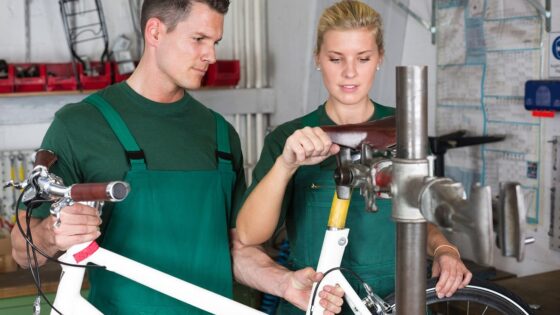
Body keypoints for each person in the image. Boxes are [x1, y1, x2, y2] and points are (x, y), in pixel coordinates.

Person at [10, 1, 343, 314]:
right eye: (198, 39)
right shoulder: (81, 125)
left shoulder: (220, 134)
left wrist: (284, 283)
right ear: (155, 33)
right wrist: (53, 234)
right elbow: (21, 251)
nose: (210, 55)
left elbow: (234, 250)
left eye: (215, 41)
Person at [236, 0, 473, 314]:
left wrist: (444, 250)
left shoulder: (404, 131)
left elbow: (420, 219)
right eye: (336, 58)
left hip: (398, 300)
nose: (349, 72)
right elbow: (251, 234)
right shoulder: (290, 138)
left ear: (379, 59)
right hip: (317, 301)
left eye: (363, 58)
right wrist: (286, 164)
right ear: (318, 58)